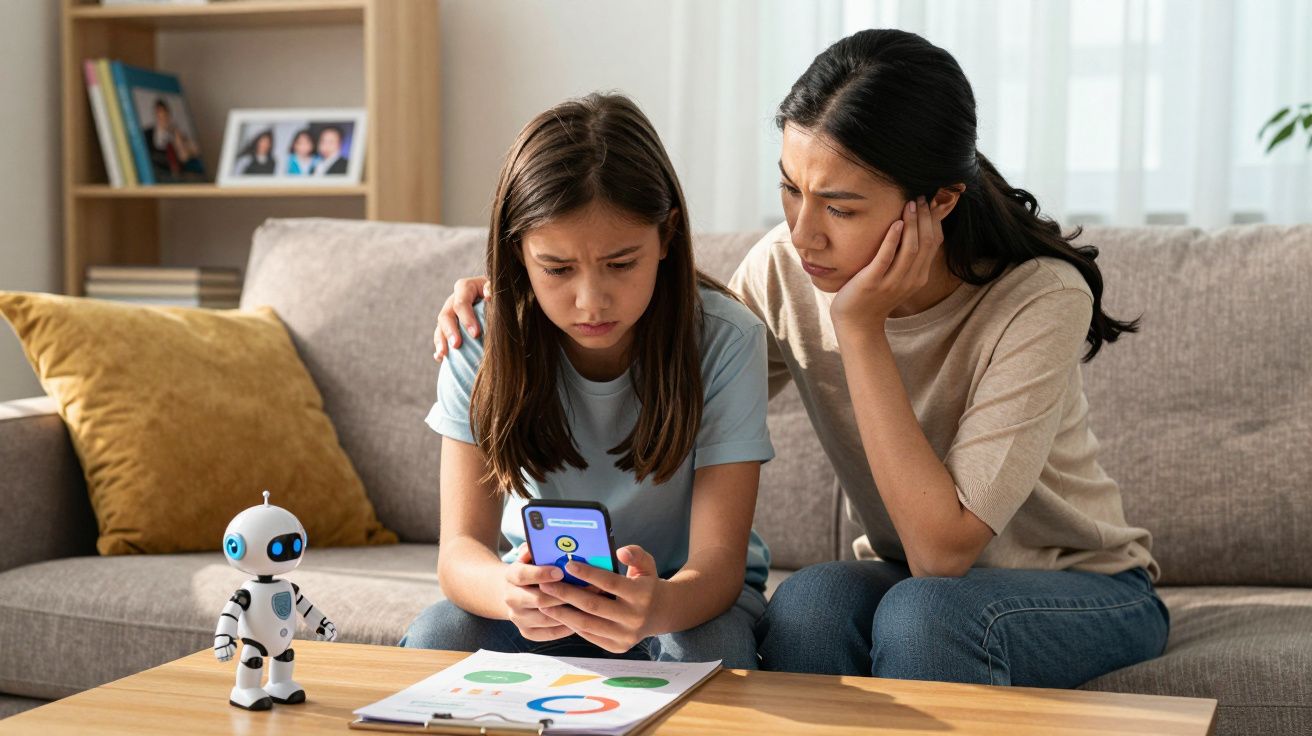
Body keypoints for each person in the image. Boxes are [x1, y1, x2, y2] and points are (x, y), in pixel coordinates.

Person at [431, 30, 1169, 688]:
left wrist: (861, 329)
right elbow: (677, 342)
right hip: (906, 573)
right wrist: (514, 292)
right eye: (790, 189)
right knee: (811, 604)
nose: (804, 234)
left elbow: (944, 552)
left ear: (939, 201)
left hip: (1079, 583)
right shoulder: (787, 268)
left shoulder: (1039, 298)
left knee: (924, 614)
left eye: (840, 207)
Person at [400, 93, 775, 670]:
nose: (590, 301)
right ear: (517, 254)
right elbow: (459, 553)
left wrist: (657, 605)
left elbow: (720, 566)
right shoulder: (478, 336)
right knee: (435, 637)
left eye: (622, 264)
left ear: (667, 236)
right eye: (556, 269)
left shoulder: (726, 340)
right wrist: (510, 591)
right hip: (538, 607)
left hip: (680, 603)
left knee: (712, 653)